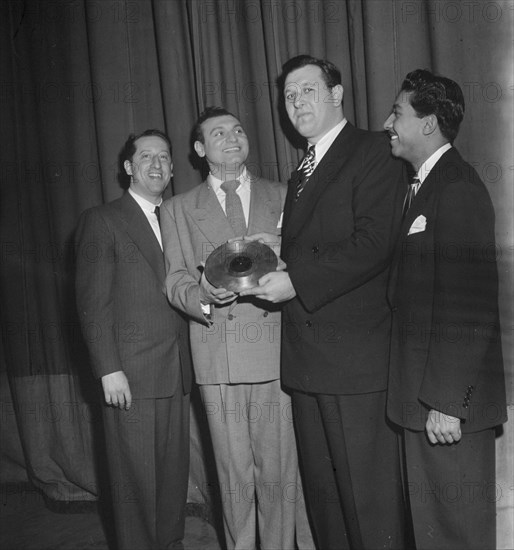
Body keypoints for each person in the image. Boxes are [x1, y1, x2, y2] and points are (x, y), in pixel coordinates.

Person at [240, 55, 406, 549]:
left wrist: (296, 282)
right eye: (289, 95)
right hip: (309, 364)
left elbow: (375, 243)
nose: (296, 103)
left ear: (337, 95)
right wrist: (277, 249)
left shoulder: (375, 151)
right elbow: (322, 241)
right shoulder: (301, 172)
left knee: (370, 511)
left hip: (355, 365)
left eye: (308, 90)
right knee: (327, 504)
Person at [160, 107, 313, 550]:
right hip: (218, 355)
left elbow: (306, 260)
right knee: (232, 476)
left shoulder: (285, 195)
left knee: (280, 473)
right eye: (219, 133)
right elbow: (175, 280)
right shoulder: (177, 209)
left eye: (239, 130)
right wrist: (204, 291)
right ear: (200, 149)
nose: (233, 138)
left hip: (276, 352)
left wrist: (282, 255)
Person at [383, 69, 507, 550]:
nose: (389, 123)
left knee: (455, 535)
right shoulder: (423, 186)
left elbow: (468, 304)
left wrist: (447, 402)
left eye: (397, 113)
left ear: (429, 123)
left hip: (446, 405)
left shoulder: (455, 187)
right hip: (426, 398)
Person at [75, 129, 192, 550]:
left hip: (177, 372)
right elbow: (93, 303)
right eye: (146, 157)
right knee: (135, 487)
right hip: (130, 375)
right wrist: (108, 369)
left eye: (164, 157)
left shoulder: (179, 217)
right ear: (128, 168)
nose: (157, 165)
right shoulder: (102, 219)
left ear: (174, 168)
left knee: (171, 480)